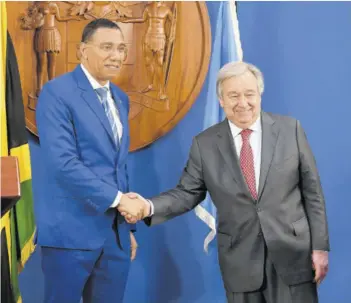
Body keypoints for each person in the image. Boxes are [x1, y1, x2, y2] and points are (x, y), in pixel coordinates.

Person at [120, 61, 330, 303]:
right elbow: (187, 193)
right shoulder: (205, 144)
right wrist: (148, 206)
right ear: (221, 100)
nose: (243, 103)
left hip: (293, 255)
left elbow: (312, 192)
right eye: (233, 96)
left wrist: (320, 247)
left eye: (249, 94)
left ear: (259, 93)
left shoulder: (290, 129)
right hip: (240, 262)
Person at [36, 18, 147, 303]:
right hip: (70, 236)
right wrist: (119, 200)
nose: (116, 55)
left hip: (115, 237)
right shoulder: (56, 93)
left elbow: (117, 166)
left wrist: (127, 229)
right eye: (107, 47)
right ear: (82, 51)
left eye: (121, 48)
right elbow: (63, 163)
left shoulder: (120, 98)